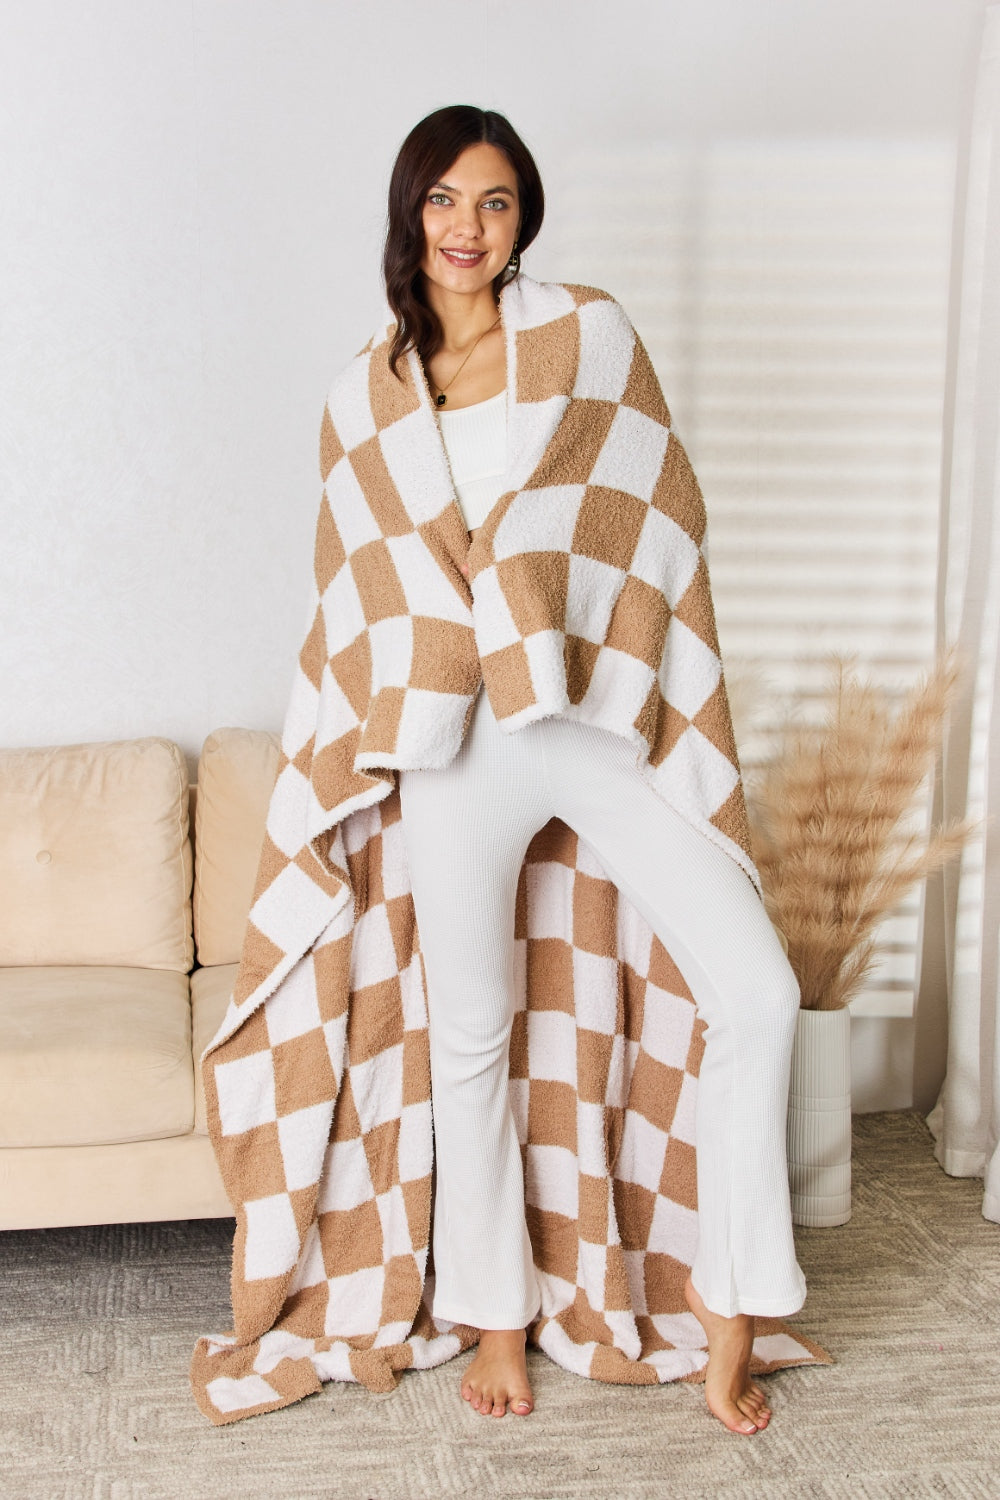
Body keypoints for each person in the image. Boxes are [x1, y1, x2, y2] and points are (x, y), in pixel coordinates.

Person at [377, 104, 806, 1432]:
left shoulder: (587, 336)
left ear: (526, 220)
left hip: (592, 714)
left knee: (760, 990)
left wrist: (525, 585)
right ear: (411, 213)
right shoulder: (369, 391)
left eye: (495, 203)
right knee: (472, 1037)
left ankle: (734, 1313)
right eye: (445, 199)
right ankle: (496, 1317)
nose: (467, 227)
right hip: (457, 741)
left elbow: (661, 502)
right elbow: (361, 584)